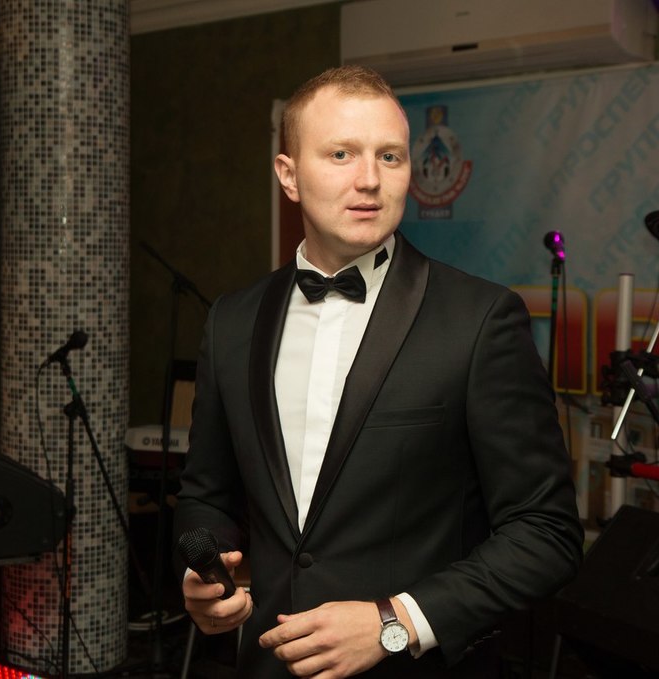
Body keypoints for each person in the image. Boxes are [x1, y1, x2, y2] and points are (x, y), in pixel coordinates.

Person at [173, 65, 583, 678]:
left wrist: (398, 621)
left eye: (389, 156)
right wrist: (203, 575)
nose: (369, 179)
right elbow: (206, 494)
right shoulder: (231, 321)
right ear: (289, 175)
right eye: (341, 154)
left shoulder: (480, 320)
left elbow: (546, 533)